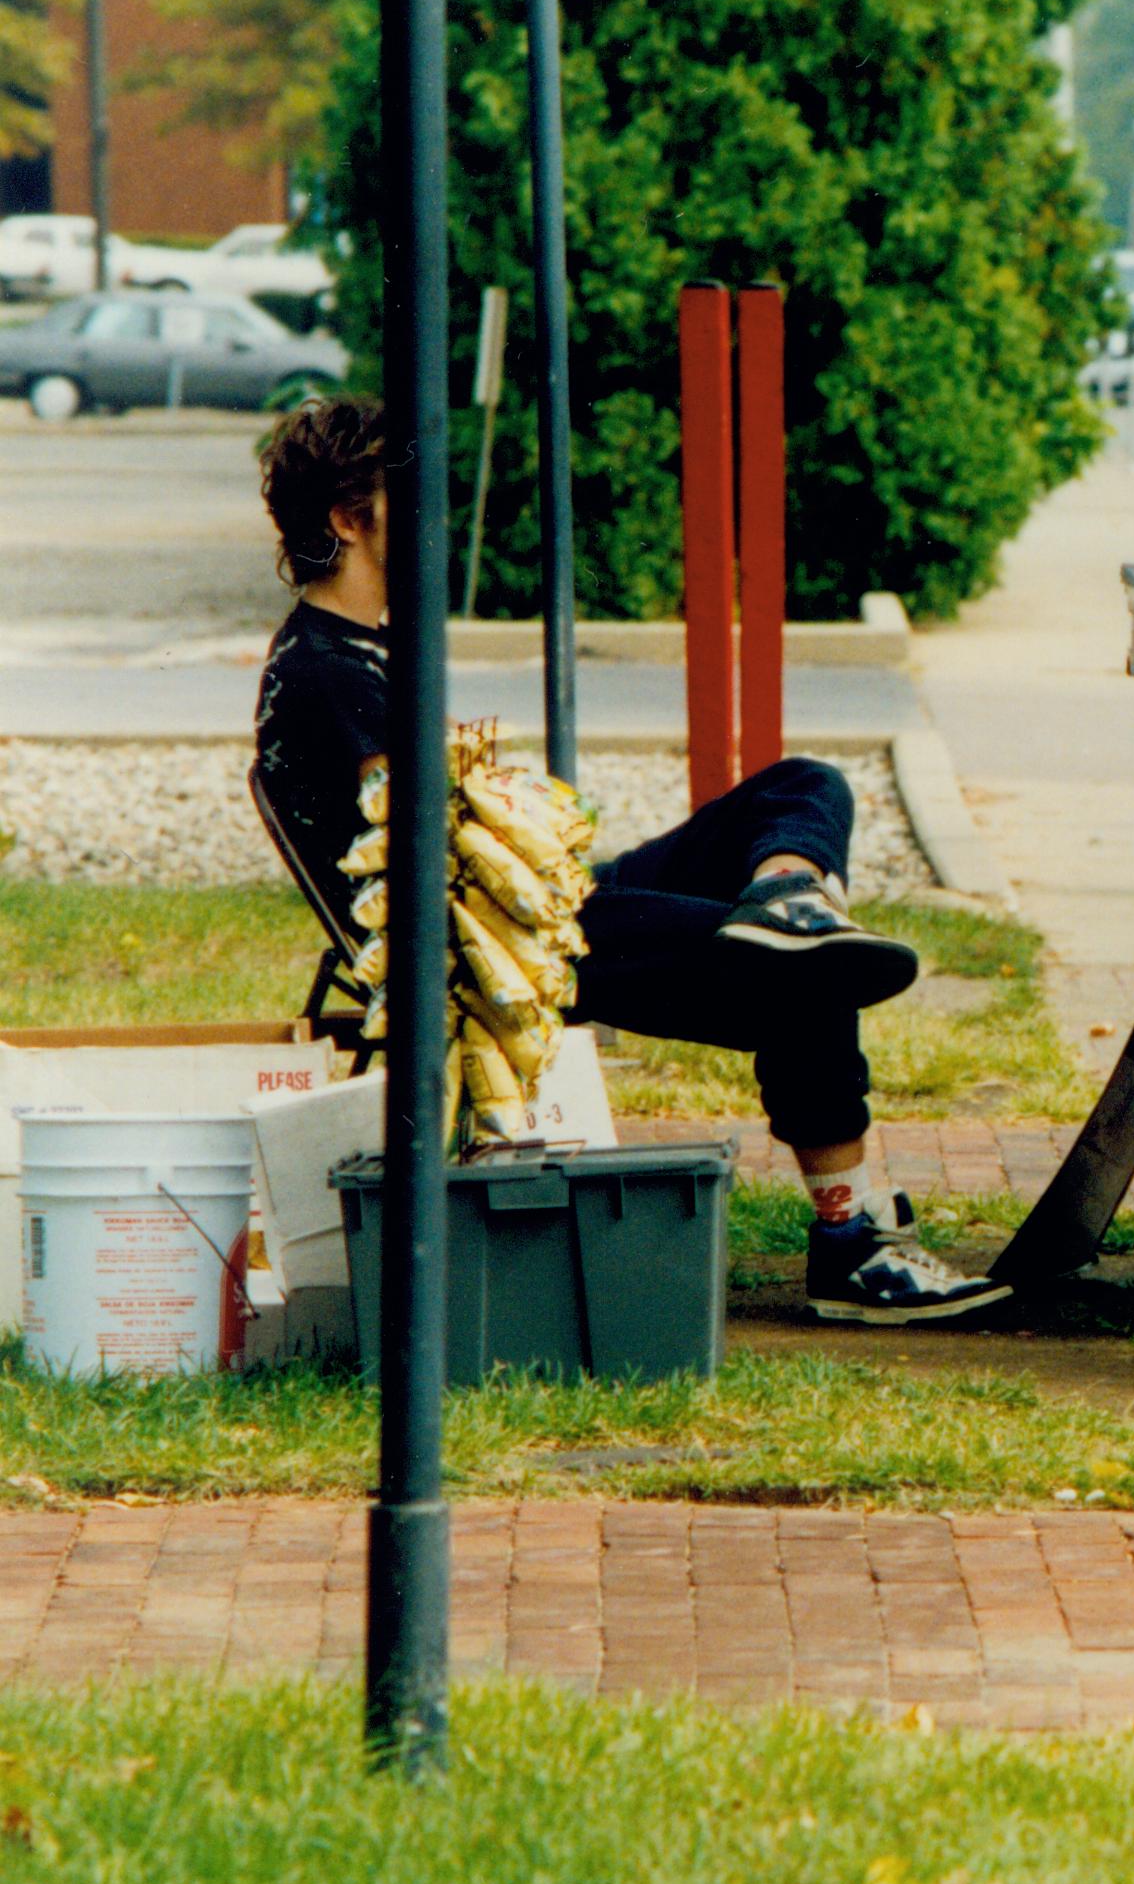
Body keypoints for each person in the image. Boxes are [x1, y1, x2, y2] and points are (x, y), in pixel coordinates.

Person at [251, 395, 1002, 1324]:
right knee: (811, 977)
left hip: (536, 904)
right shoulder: (322, 669)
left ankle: (789, 892)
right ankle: (846, 1243)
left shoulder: (370, 648)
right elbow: (435, 841)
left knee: (799, 788)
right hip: (497, 949)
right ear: (346, 521)